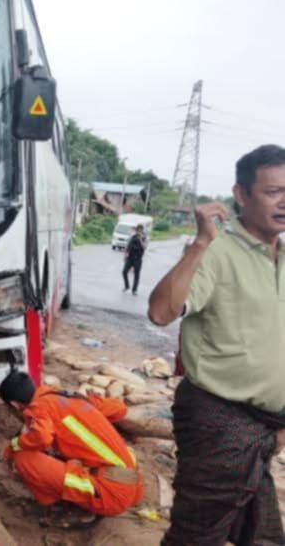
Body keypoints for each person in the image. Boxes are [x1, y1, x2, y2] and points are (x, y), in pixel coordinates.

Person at [148, 144, 285, 546]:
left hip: (264, 426)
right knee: (195, 537)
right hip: (217, 421)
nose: (284, 202)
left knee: (263, 537)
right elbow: (160, 312)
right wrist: (200, 244)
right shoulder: (215, 252)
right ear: (241, 195)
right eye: (273, 191)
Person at [0, 371, 144, 517]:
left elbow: (42, 438)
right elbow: (119, 408)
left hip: (111, 496)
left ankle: (56, 506)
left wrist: (15, 444)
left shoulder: (39, 407)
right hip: (133, 486)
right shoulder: (69, 396)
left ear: (15, 405)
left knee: (23, 458)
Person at [122, 223, 147, 295]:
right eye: (137, 230)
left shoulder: (144, 237)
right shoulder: (133, 236)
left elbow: (144, 247)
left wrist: (140, 239)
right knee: (124, 272)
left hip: (138, 258)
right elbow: (128, 245)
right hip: (130, 257)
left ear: (142, 230)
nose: (138, 231)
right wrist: (125, 254)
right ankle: (127, 286)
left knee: (136, 274)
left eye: (140, 230)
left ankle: (134, 290)